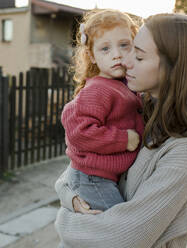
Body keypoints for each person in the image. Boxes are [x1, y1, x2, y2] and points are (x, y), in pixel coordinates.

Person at [55, 12, 187, 248]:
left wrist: (64, 220)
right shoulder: (140, 111)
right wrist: (71, 197)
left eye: (137, 55)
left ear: (173, 67)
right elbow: (74, 171)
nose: (124, 61)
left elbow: (122, 238)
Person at [60, 9, 145, 211]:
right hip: (93, 178)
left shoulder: (125, 84)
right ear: (92, 56)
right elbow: (80, 132)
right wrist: (124, 139)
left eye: (124, 45)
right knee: (118, 228)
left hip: (105, 176)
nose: (116, 54)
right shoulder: (99, 89)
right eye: (105, 49)